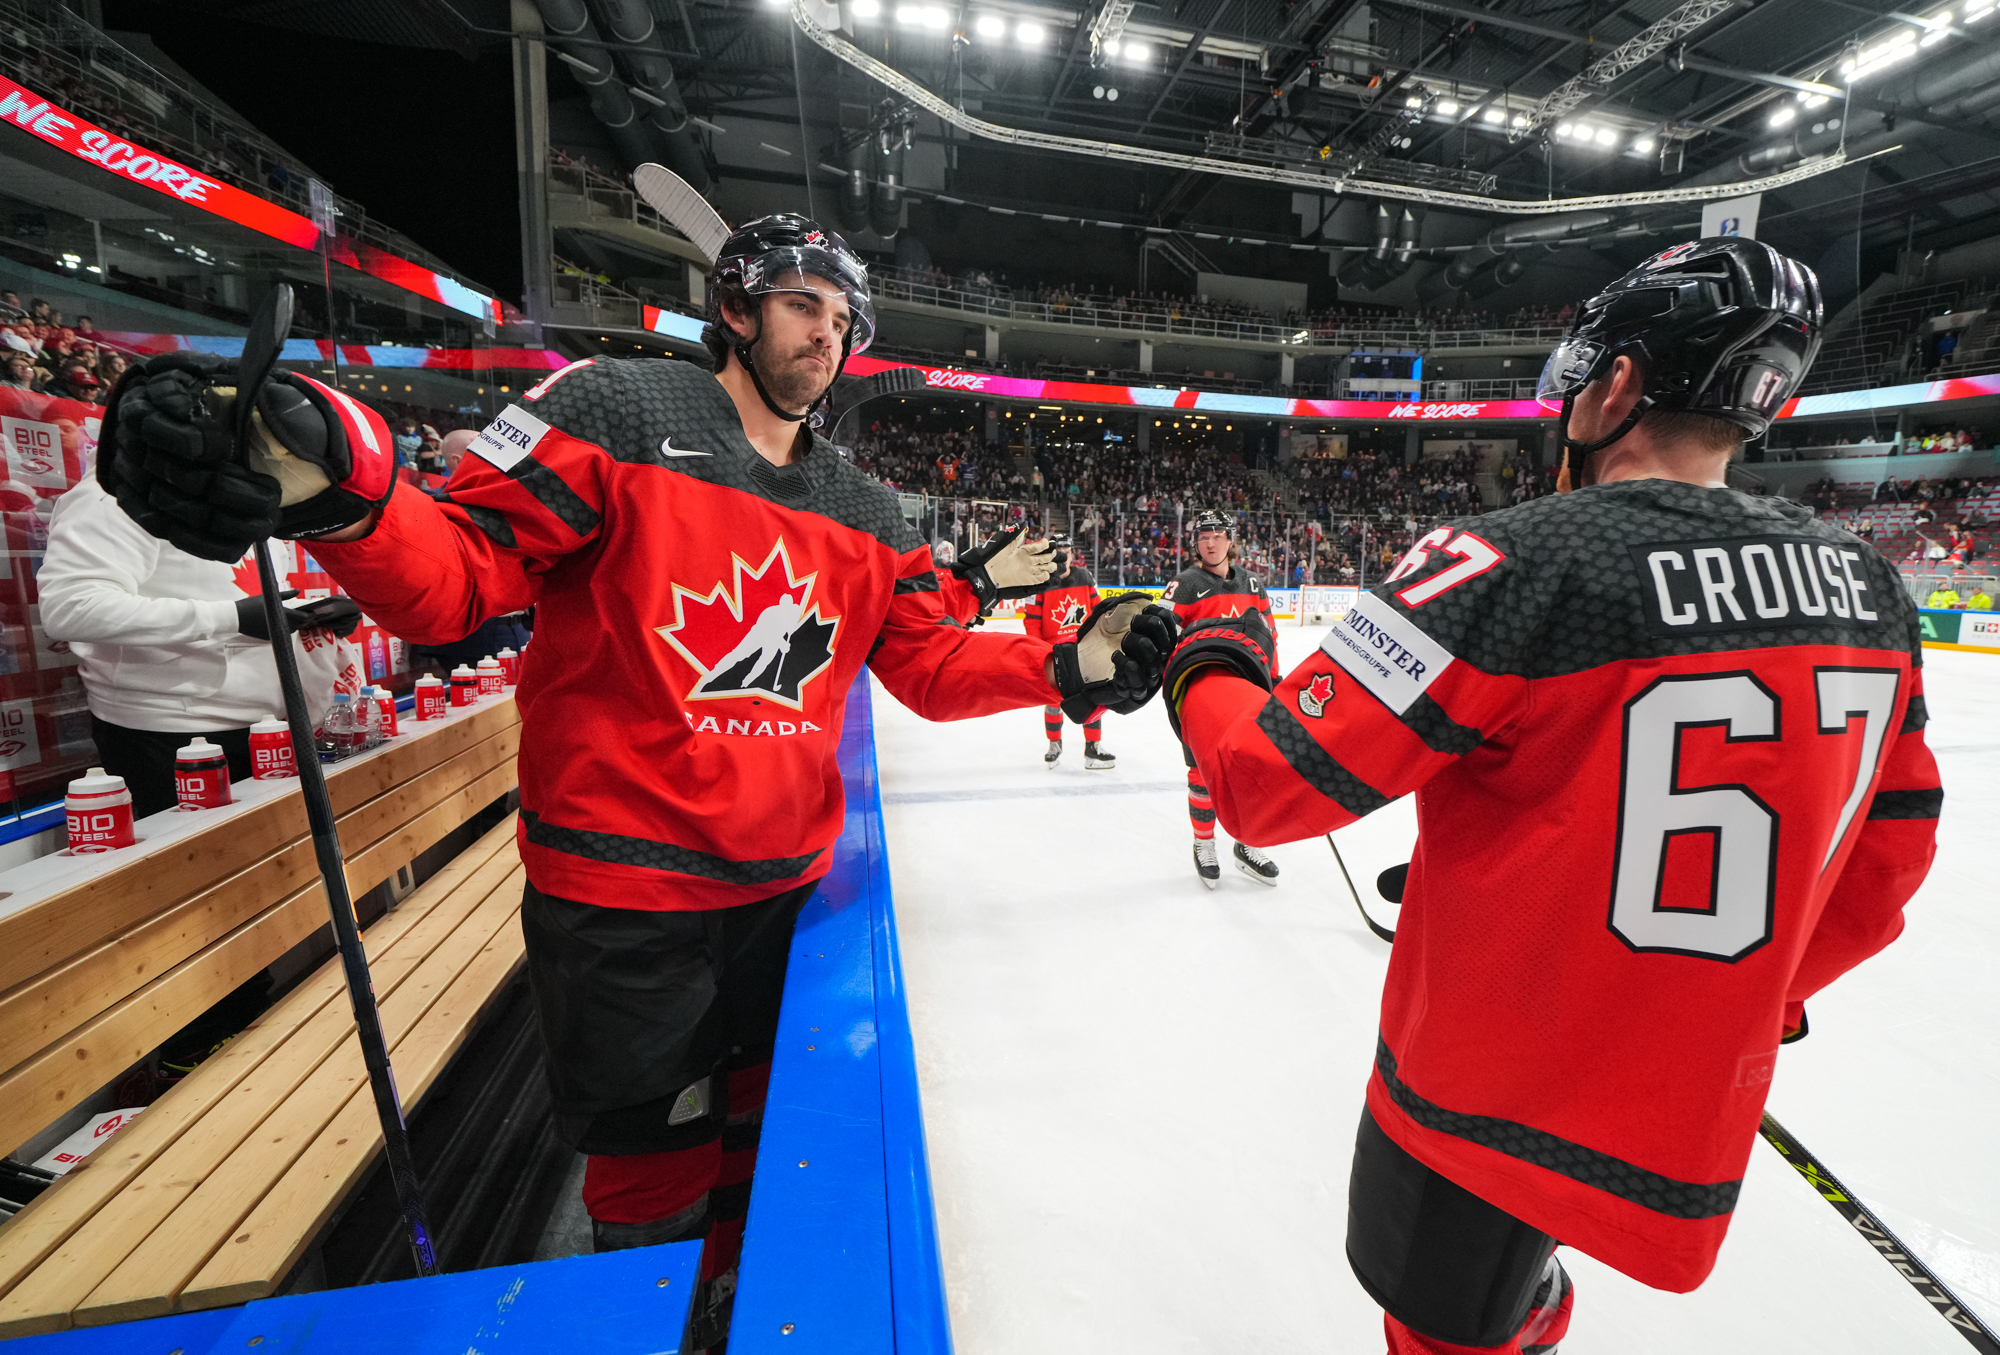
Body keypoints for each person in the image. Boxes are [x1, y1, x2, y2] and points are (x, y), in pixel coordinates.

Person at [97, 214, 1175, 1350]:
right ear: (736, 308)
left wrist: (1063, 668)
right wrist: (345, 481)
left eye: (843, 319)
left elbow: (926, 666)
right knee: (647, 1164)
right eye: (803, 304)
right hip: (621, 896)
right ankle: (650, 1323)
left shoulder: (862, 506)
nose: (826, 334)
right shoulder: (611, 409)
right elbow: (457, 578)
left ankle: (726, 1310)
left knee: (759, 1146)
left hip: (783, 893)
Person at [1160, 238, 1940, 1355]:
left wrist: (1209, 657)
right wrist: (1729, 992)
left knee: (1444, 1329)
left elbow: (1260, 783)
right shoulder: (1869, 588)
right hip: (1677, 1094)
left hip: (1483, 1095)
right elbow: (1882, 866)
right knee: (1506, 1298)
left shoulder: (1507, 559)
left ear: (1616, 384)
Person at [38, 474, 360, 818]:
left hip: (267, 726)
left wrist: (309, 614)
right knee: (204, 851)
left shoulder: (240, 494)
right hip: (168, 732)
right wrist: (231, 618)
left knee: (272, 845)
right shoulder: (111, 494)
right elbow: (70, 608)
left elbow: (234, 593)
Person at [1164, 509, 1280, 888]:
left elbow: (1270, 636)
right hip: (1200, 696)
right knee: (1201, 774)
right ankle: (1204, 844)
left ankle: (1247, 843)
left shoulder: (1253, 584)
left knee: (1249, 770)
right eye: (1203, 536)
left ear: (1231, 540)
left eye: (1217, 535)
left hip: (1247, 691)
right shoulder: (1183, 584)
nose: (1210, 543)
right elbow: (1160, 634)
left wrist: (1274, 681)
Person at [1021, 536, 1114, 768]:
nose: (1064, 556)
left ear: (1073, 554)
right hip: (1054, 653)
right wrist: (1040, 653)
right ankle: (1054, 744)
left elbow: (1099, 612)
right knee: (1053, 701)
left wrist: (1100, 642)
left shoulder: (1085, 577)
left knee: (1093, 698)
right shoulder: (1040, 581)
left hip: (1085, 651)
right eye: (1058, 552)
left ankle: (1093, 748)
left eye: (1067, 552)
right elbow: (1032, 621)